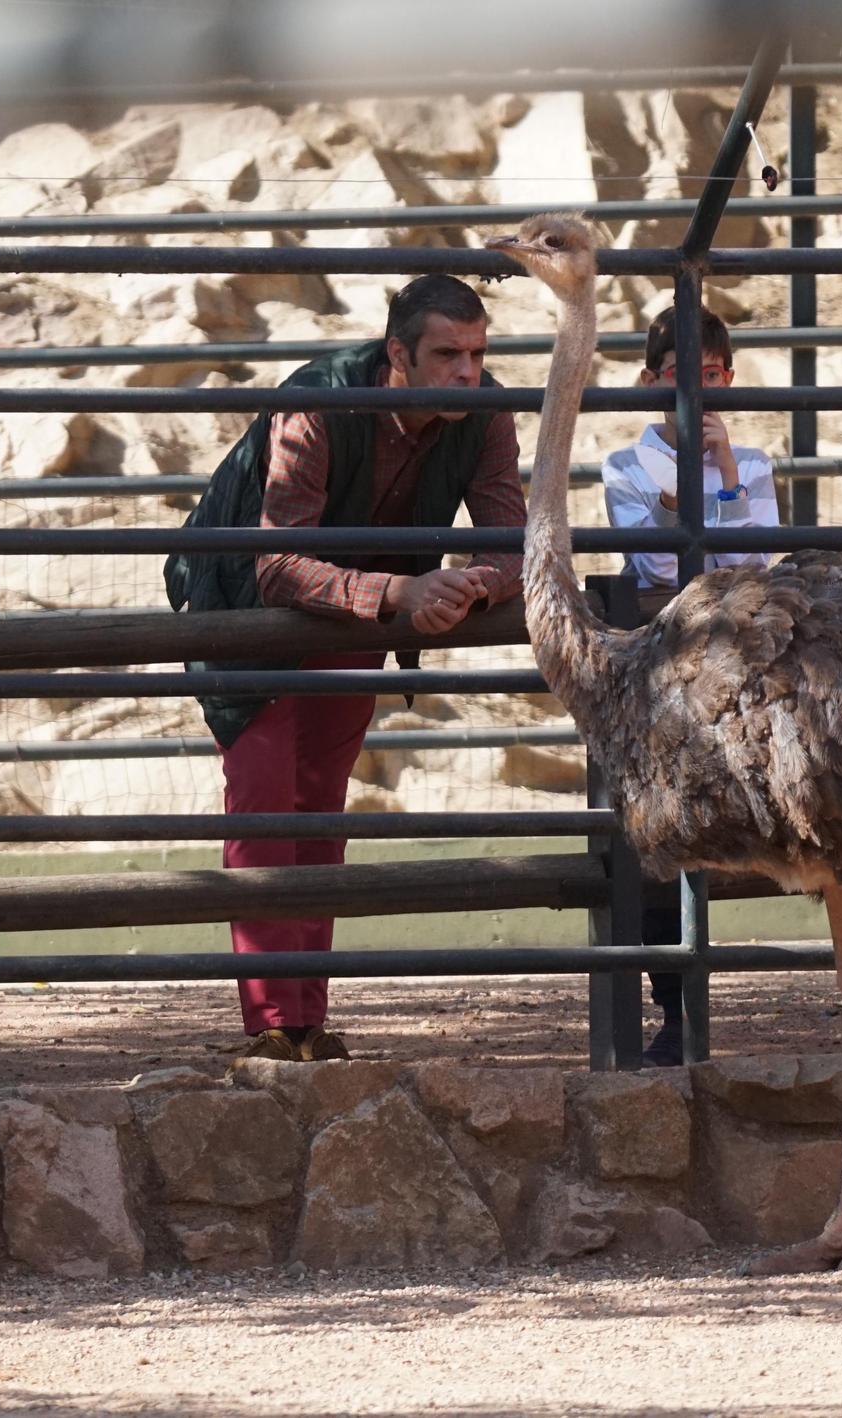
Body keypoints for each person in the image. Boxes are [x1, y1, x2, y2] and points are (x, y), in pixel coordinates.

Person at [165, 275, 525, 1063]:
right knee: (263, 803)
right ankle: (270, 1026)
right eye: (447, 355)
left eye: (477, 353)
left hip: (358, 607)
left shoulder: (485, 414)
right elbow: (277, 564)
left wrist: (465, 588)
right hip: (249, 611)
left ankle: (309, 1019)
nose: (468, 373)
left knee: (320, 806)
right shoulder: (318, 401)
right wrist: (404, 591)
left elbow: (510, 540)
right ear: (398, 353)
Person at [601, 304, 781, 1065]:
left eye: (715, 377)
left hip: (741, 670)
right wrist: (690, 503)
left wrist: (729, 478)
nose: (702, 393)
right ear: (650, 383)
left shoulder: (755, 463)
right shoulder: (624, 466)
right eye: (685, 378)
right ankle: (673, 1004)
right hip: (664, 677)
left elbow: (758, 568)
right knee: (658, 837)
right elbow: (661, 570)